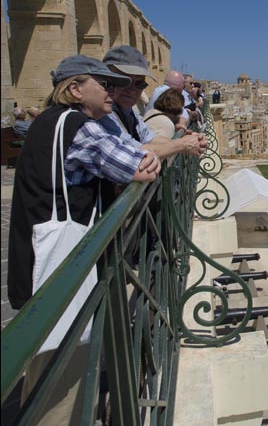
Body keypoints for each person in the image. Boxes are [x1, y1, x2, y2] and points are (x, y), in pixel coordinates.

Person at [8, 55, 160, 426]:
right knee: (63, 373)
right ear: (75, 89)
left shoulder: (49, 122)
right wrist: (144, 163)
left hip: (38, 254)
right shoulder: (79, 125)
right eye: (104, 84)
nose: (114, 91)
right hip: (59, 265)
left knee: (49, 361)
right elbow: (138, 163)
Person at [100, 46, 207, 159]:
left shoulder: (127, 111)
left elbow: (149, 138)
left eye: (139, 84)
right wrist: (182, 144)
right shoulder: (101, 114)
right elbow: (132, 153)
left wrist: (183, 139)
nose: (132, 90)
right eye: (124, 81)